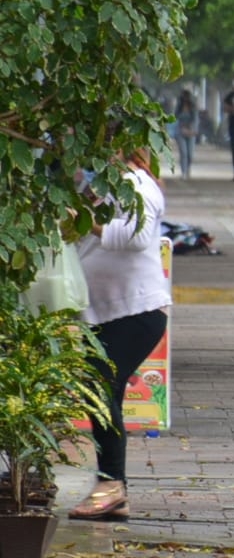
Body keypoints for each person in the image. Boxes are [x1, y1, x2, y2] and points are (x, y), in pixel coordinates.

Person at [70, 150, 171, 521]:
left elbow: (137, 236)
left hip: (136, 312)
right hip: (105, 312)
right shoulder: (102, 184)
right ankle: (113, 487)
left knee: (98, 386)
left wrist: (87, 222)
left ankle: (111, 484)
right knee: (98, 390)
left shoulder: (138, 185)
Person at [174, 89, 198, 180]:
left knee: (190, 154)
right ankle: (183, 172)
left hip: (191, 132)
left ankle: (188, 169)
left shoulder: (193, 108)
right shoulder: (179, 108)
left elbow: (195, 120)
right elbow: (175, 118)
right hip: (181, 132)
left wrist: (192, 130)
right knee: (183, 152)